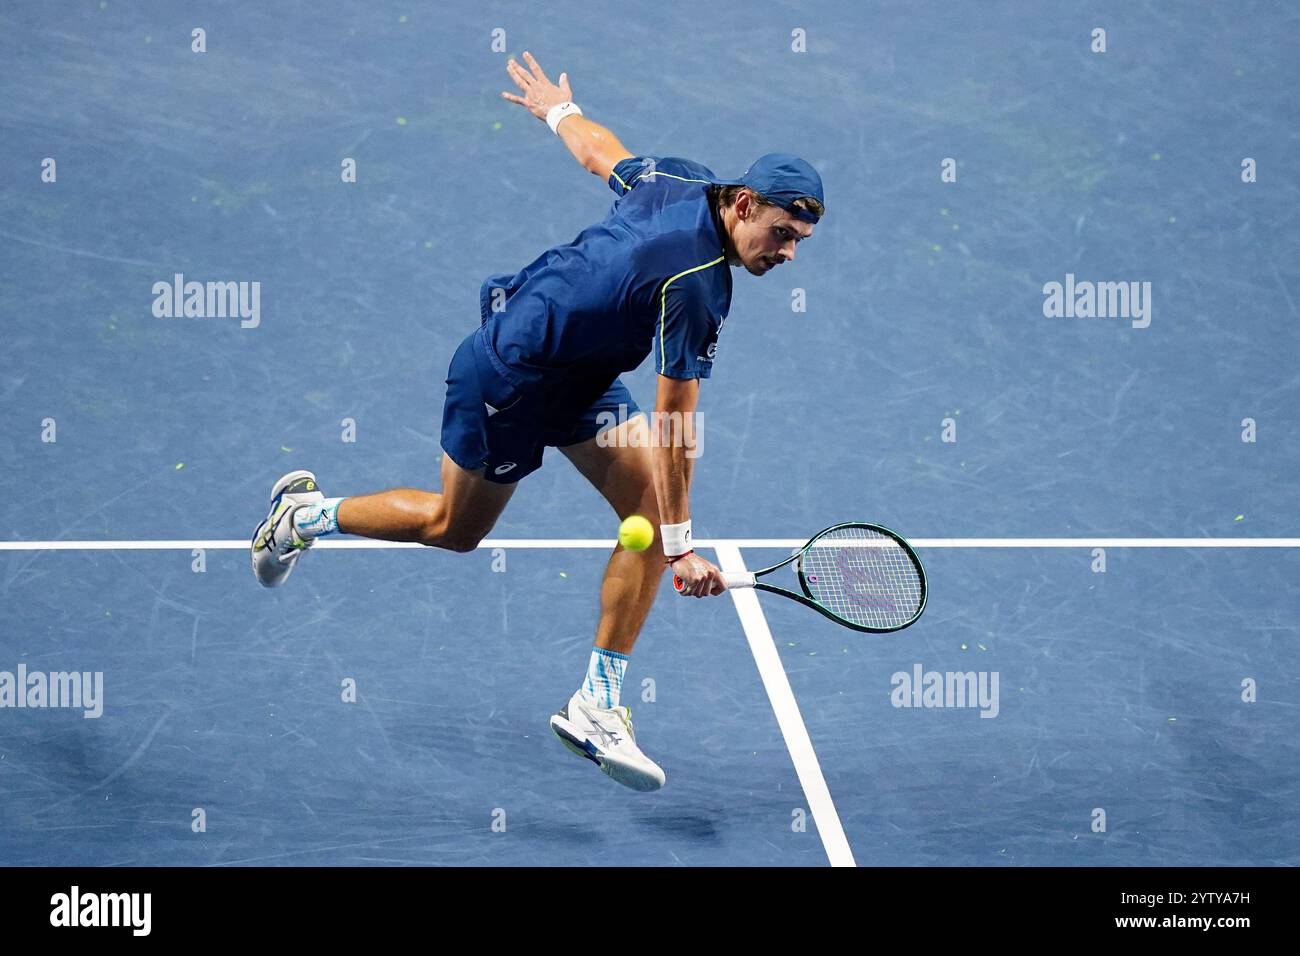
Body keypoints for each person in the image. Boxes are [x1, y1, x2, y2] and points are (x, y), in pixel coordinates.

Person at [250, 51, 824, 792]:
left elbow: (601, 154)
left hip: (579, 376)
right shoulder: (698, 288)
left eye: (798, 243)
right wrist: (683, 548)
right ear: (743, 203)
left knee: (644, 516)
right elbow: (675, 421)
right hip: (509, 378)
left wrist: (558, 110)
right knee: (455, 530)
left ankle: (598, 704)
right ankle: (302, 516)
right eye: (780, 233)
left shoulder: (678, 178)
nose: (785, 254)